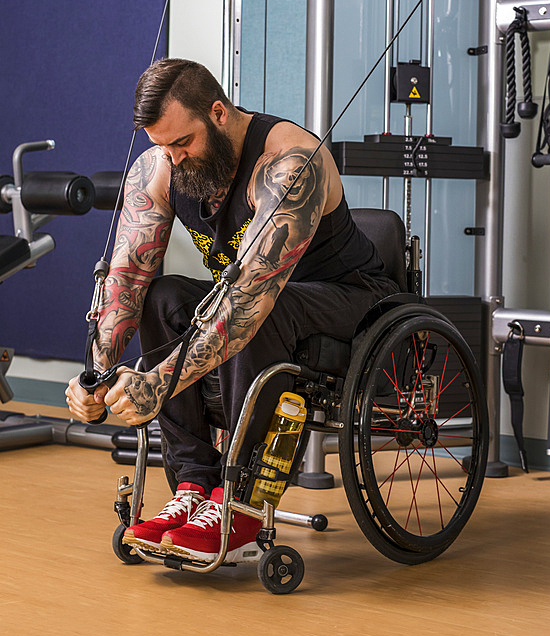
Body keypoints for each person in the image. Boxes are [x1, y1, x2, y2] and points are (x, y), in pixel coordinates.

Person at [65, 58, 397, 563]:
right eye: (162, 147)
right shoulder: (160, 167)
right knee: (164, 296)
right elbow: (128, 275)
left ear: (218, 113)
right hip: (259, 298)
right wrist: (97, 373)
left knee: (260, 304)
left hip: (349, 298)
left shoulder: (291, 163)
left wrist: (158, 382)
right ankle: (193, 488)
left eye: (183, 144)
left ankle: (239, 499)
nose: (173, 160)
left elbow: (249, 299)